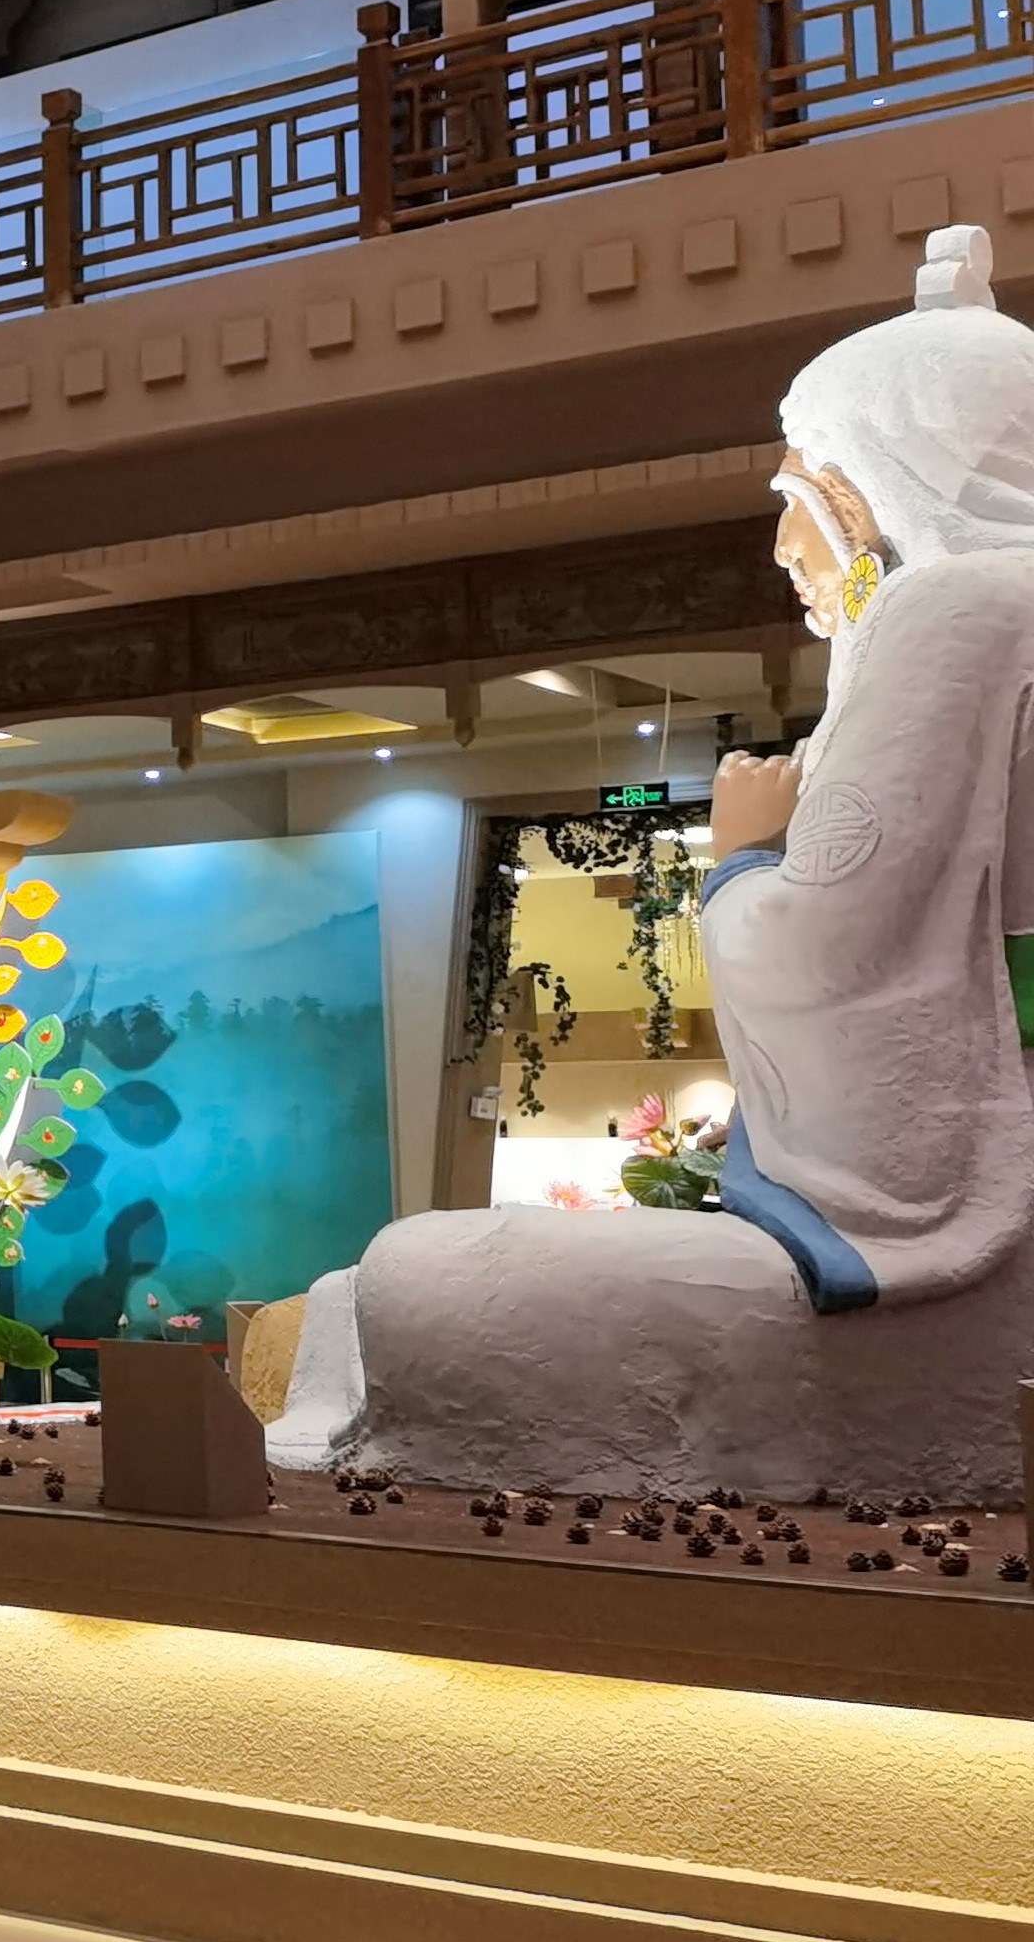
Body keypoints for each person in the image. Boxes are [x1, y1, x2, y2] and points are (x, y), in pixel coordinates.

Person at [278, 227, 1034, 1500]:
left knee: (400, 1275)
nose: (782, 546)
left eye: (795, 494)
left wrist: (736, 859)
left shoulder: (952, 610)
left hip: (951, 1255)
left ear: (863, 492)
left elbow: (827, 947)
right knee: (381, 1289)